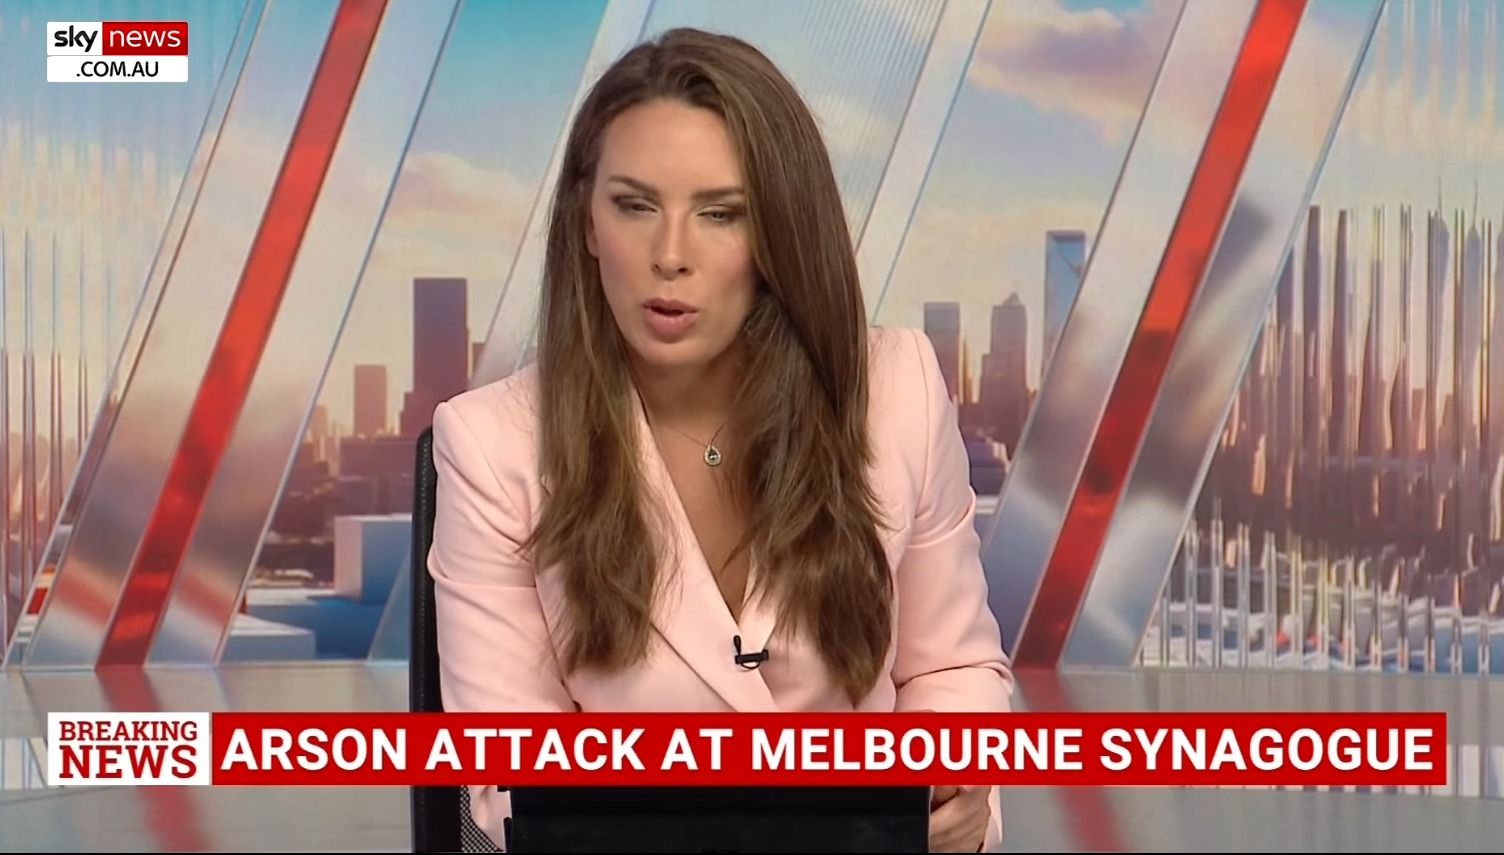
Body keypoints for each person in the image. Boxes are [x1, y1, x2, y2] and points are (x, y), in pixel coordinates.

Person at [428, 26, 1013, 852]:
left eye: (719, 213)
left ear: (778, 233)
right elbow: (509, 779)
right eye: (634, 206)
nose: (670, 255)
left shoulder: (898, 392)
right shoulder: (492, 446)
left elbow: (951, 669)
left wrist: (958, 792)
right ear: (586, 222)